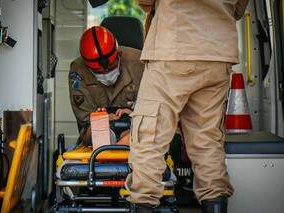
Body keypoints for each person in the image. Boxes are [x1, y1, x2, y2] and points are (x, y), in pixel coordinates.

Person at [126, 0, 249, 212]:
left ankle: (145, 201)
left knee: (150, 135)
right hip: (217, 54)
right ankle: (215, 204)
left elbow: (145, 2)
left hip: (173, 48)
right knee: (207, 139)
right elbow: (237, 10)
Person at [69, 26, 144, 146]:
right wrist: (100, 118)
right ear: (87, 66)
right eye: (98, 71)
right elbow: (84, 119)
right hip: (98, 128)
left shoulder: (140, 64)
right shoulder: (79, 71)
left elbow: (155, 108)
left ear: (119, 54)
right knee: (98, 134)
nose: (106, 73)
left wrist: (133, 114)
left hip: (136, 124)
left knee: (136, 135)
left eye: (111, 68)